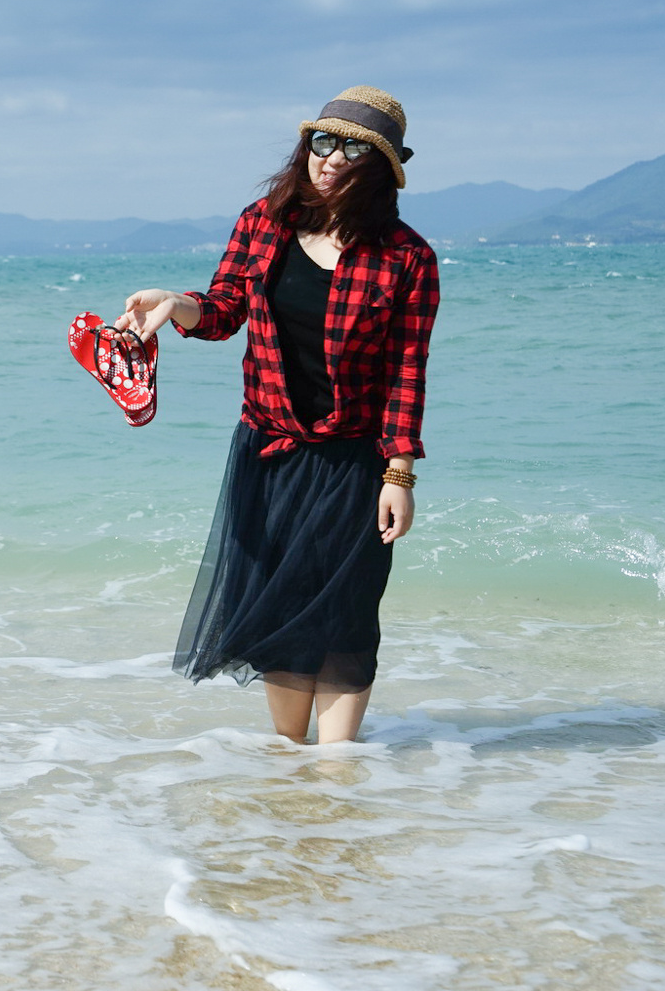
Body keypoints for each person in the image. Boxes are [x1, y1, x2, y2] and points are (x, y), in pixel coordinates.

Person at [116, 87, 438, 745]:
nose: (330, 157)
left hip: (355, 461)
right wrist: (176, 303)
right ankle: (293, 768)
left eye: (352, 147)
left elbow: (408, 369)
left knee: (347, 614)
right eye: (322, 141)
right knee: (282, 611)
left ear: (379, 165)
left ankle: (340, 767)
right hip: (268, 453)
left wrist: (398, 476)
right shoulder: (264, 223)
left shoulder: (407, 258)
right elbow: (226, 307)